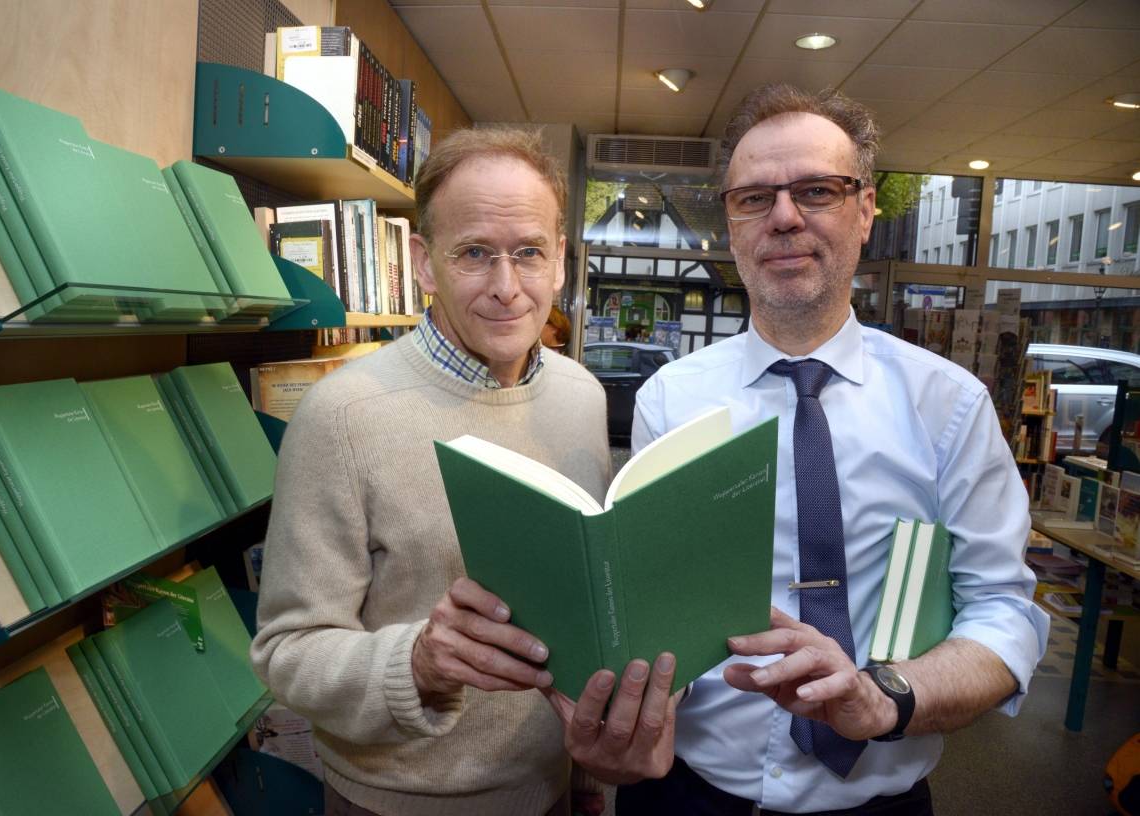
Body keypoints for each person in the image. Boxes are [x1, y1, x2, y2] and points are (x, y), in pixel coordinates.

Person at [604, 84, 1049, 813]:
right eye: (753, 198)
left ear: (865, 210)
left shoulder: (948, 405)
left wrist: (881, 700)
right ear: (730, 221)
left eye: (815, 189)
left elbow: (1001, 610)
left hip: (877, 797)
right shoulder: (670, 401)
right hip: (688, 794)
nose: (782, 217)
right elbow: (657, 601)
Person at [250, 127, 612, 816]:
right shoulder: (340, 416)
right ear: (423, 262)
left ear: (559, 261)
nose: (506, 289)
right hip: (393, 802)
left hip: (553, 791)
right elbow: (287, 653)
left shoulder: (580, 397)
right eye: (474, 253)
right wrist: (416, 664)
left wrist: (588, 781)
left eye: (528, 253)